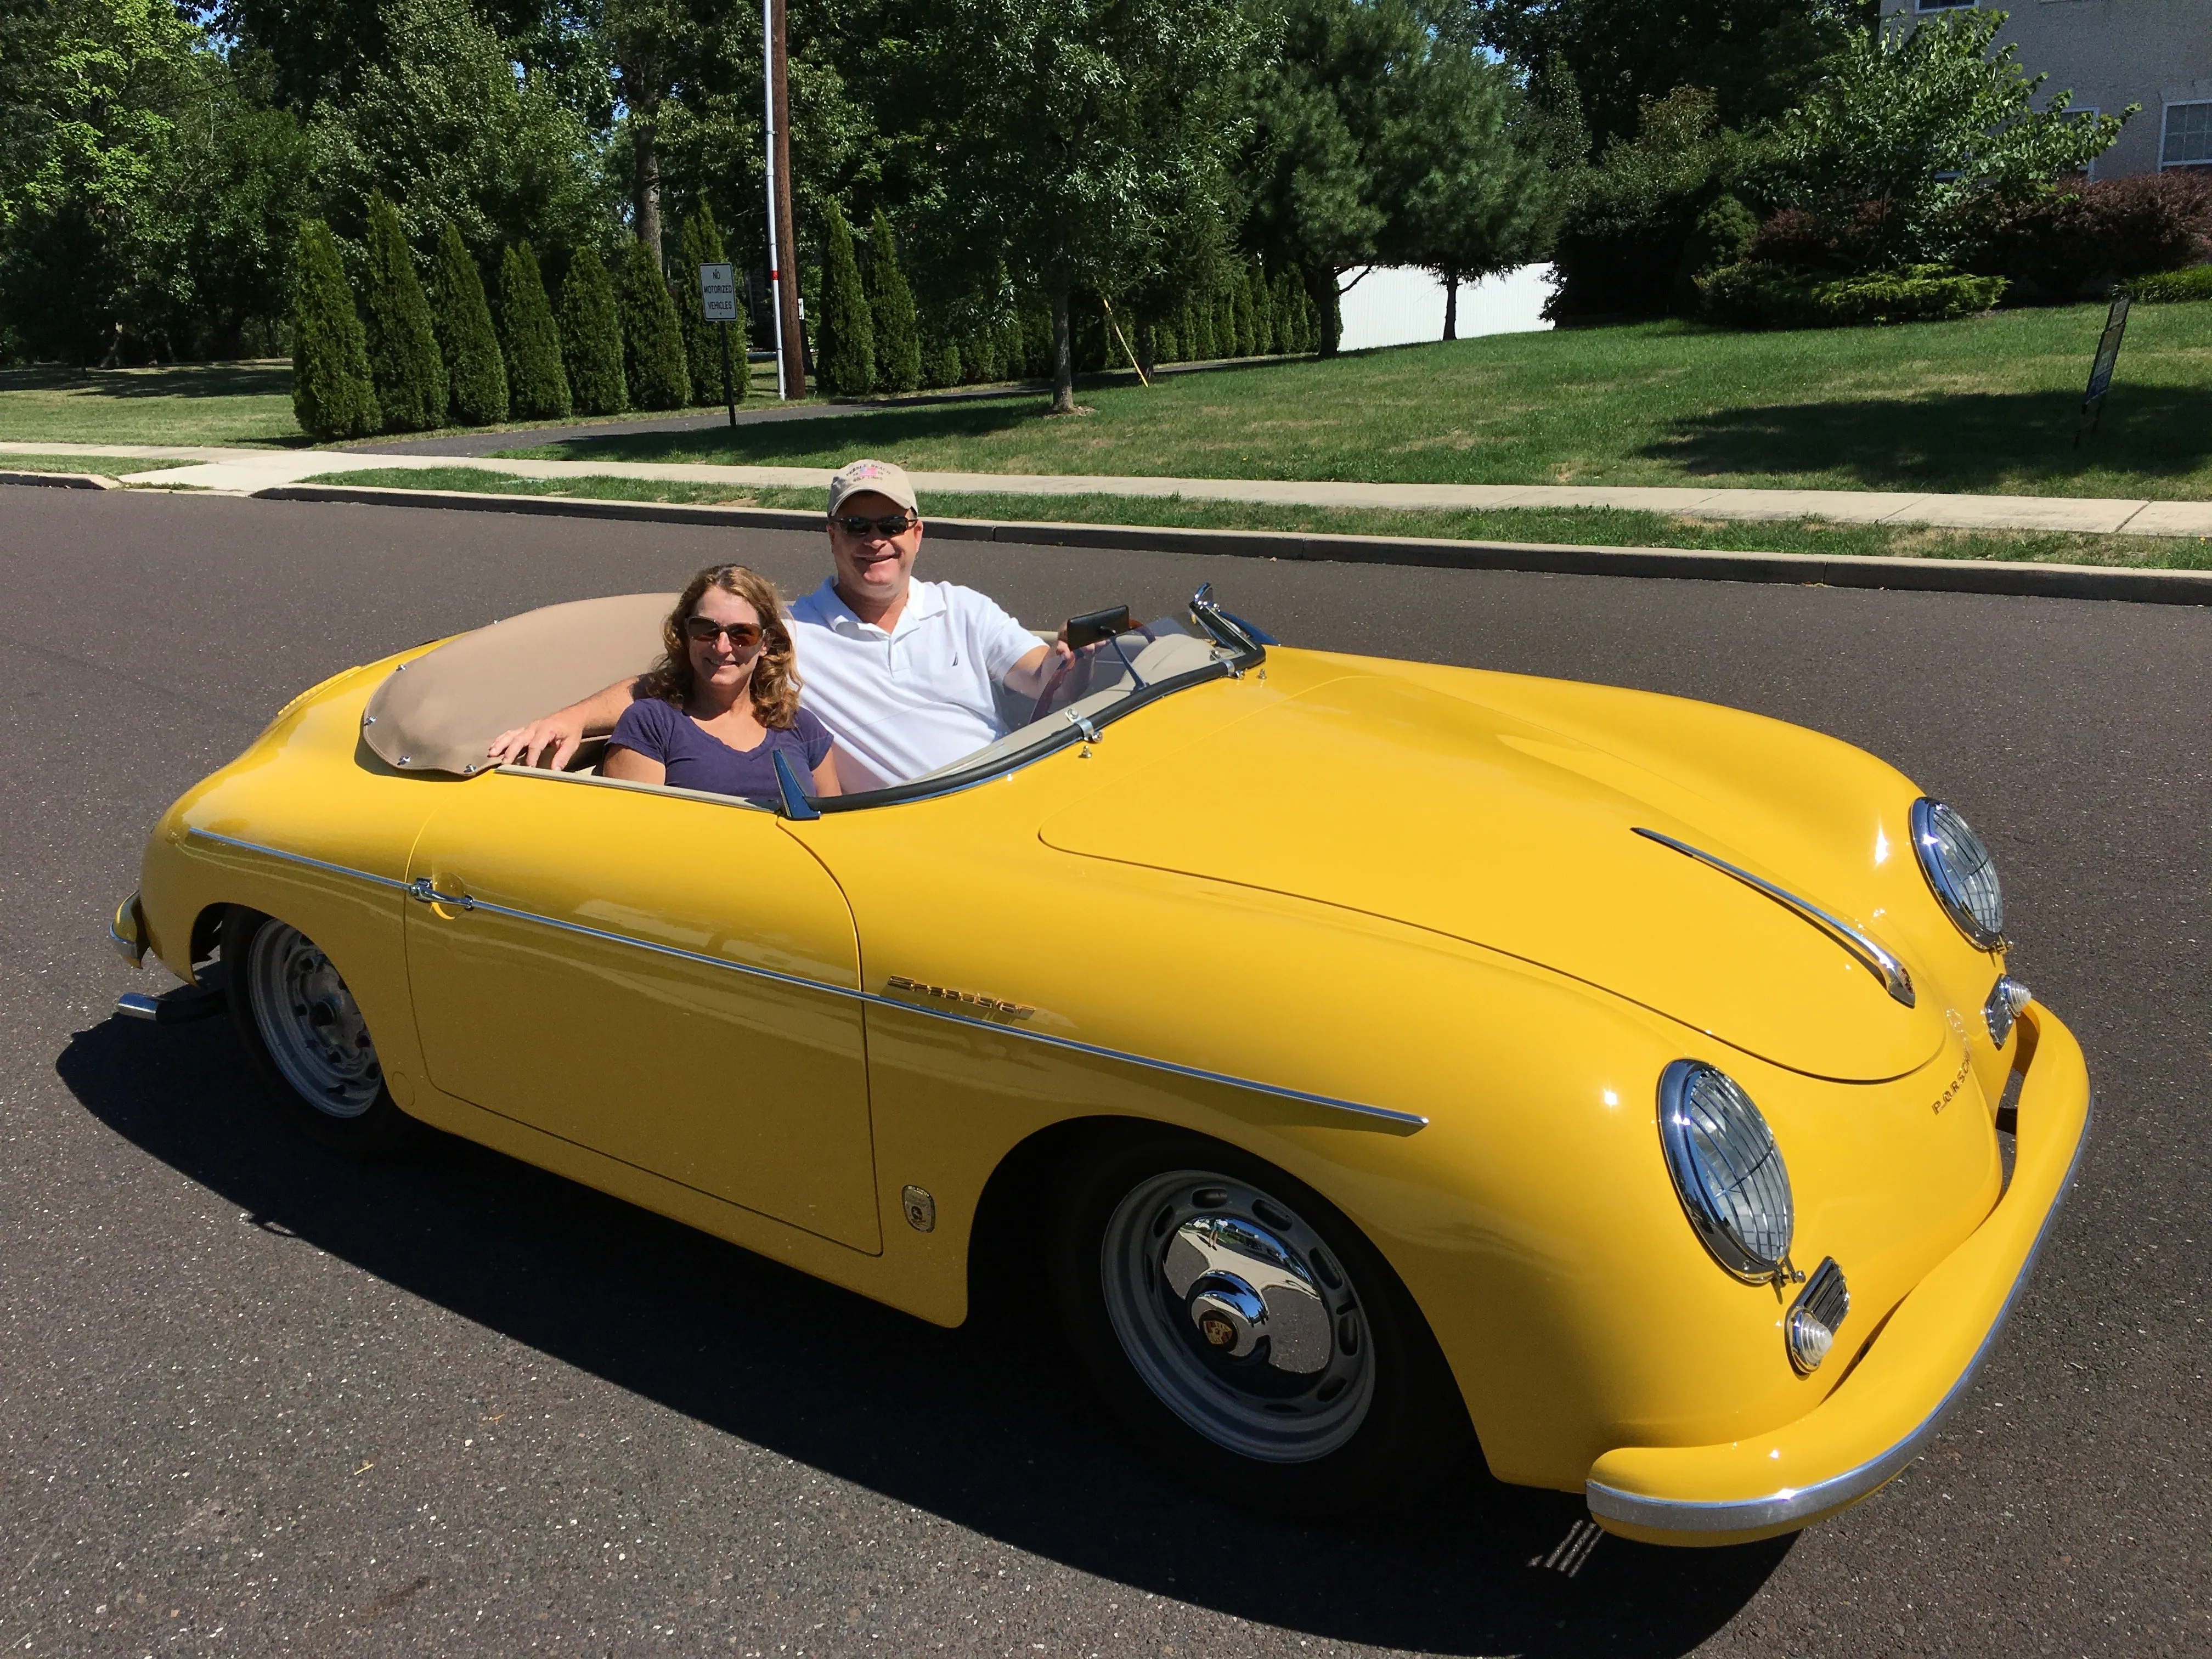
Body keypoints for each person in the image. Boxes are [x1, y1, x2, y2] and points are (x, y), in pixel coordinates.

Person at [488, 458, 1073, 789]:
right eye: (857, 527)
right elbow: (664, 682)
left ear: (917, 533)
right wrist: (568, 717)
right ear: (832, 536)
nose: (876, 542)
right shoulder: (790, 637)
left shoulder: (964, 609)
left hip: (1014, 799)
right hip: (913, 832)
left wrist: (1083, 652)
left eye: (891, 524)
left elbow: (1042, 676)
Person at [601, 563, 843, 802]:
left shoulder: (802, 726)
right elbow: (636, 833)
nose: (722, 647)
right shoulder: (652, 724)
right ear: (686, 635)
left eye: (743, 634)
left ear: (766, 643)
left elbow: (834, 830)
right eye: (706, 629)